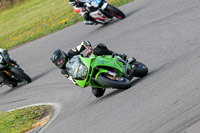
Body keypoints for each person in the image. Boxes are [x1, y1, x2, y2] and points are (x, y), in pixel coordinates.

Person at [50, 40, 127, 98]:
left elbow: (83, 44)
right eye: (58, 62)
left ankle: (118, 56)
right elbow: (73, 80)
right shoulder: (64, 72)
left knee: (99, 48)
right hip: (86, 74)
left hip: (89, 61)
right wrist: (78, 82)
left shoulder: (71, 53)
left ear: (63, 55)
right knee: (97, 94)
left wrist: (88, 48)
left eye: (60, 60)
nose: (60, 62)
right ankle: (108, 81)